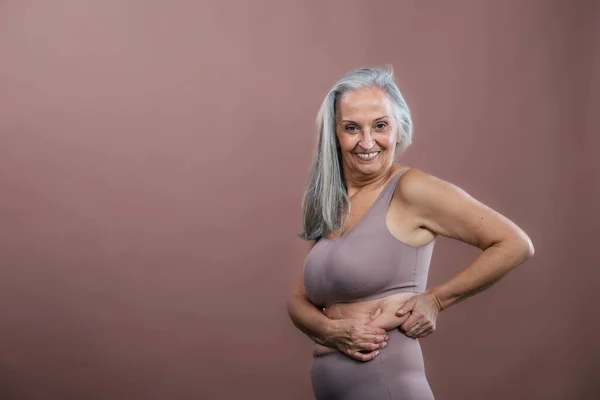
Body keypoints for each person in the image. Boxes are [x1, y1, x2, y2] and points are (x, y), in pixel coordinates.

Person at [286, 67, 535, 399]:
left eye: (380, 125)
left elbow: (515, 243)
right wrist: (332, 331)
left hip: (386, 383)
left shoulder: (410, 189)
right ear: (333, 134)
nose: (367, 141)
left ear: (398, 128)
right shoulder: (332, 201)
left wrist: (434, 300)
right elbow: (299, 300)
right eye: (351, 128)